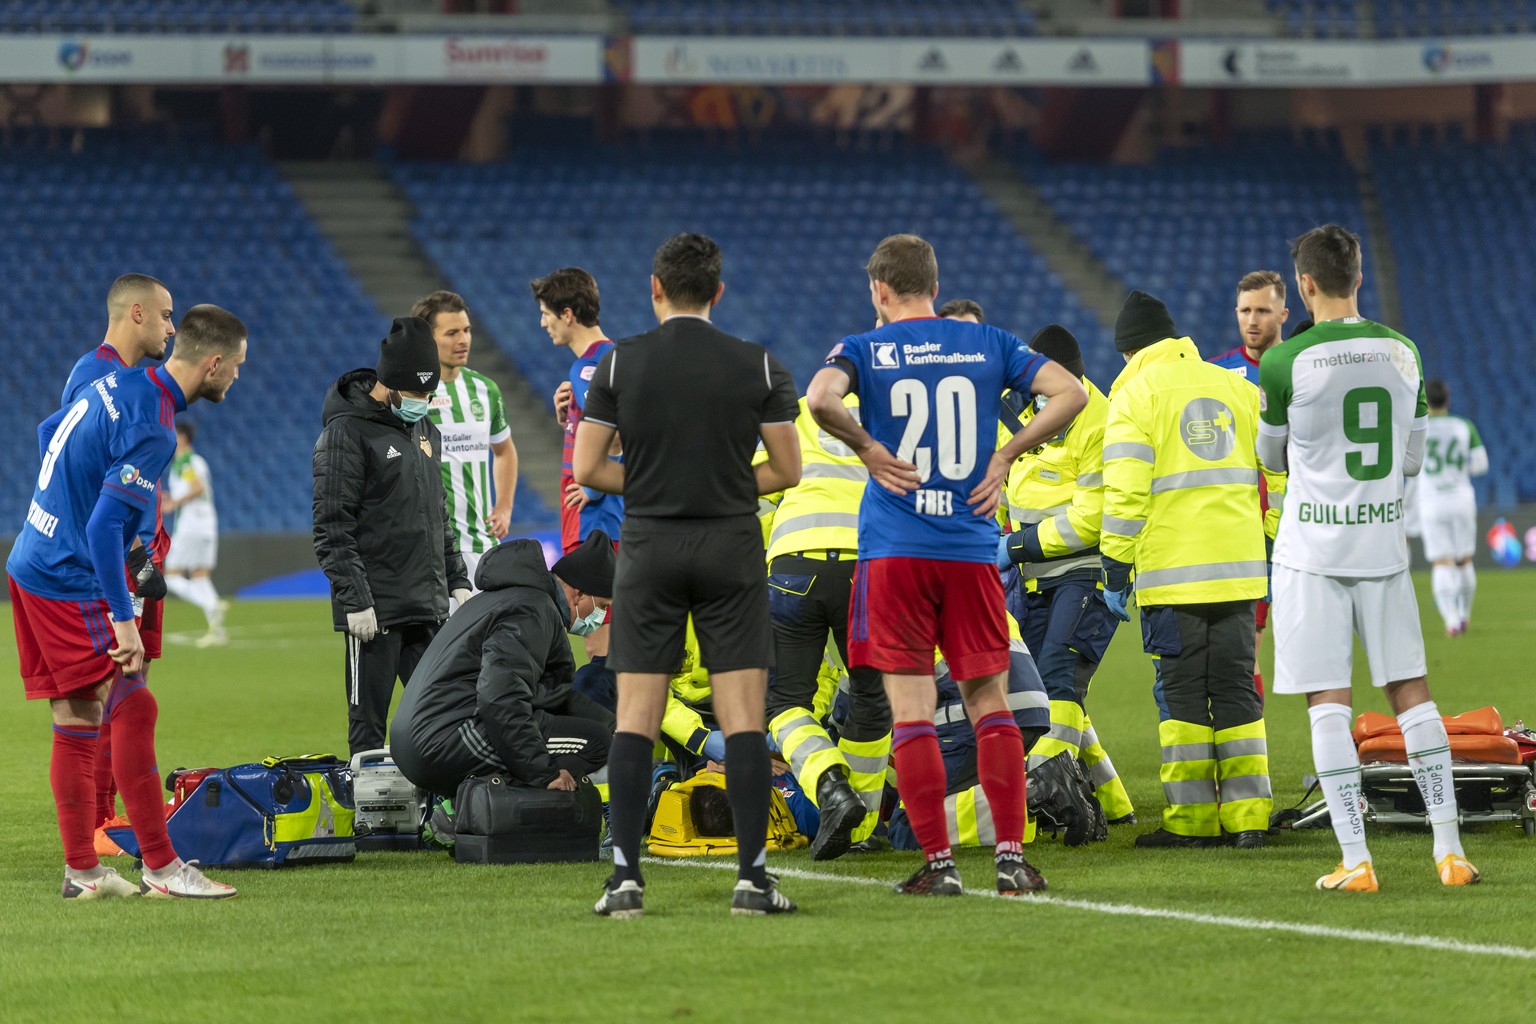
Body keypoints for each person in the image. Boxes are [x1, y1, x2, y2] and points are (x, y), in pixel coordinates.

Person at [806, 233, 1086, 897]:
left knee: (912, 710)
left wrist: (871, 449)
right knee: (989, 703)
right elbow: (1070, 392)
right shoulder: (989, 343)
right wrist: (1007, 453)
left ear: (879, 290)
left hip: (897, 551)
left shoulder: (865, 347)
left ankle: (939, 866)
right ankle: (1012, 860)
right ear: (934, 283)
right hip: (968, 549)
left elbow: (820, 398)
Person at [573, 232, 803, 918]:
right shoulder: (757, 365)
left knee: (637, 718)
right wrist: (729, 488)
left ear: (654, 288)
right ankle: (753, 881)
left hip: (650, 547)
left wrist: (646, 487)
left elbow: (587, 469)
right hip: (730, 544)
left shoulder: (619, 364)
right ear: (718, 293)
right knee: (742, 722)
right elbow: (789, 471)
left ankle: (624, 882)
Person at [1258, 224, 1479, 890]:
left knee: (1329, 702)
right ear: (1358, 279)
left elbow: (1270, 459)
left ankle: (1357, 860)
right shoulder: (1403, 352)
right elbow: (1410, 460)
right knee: (1413, 696)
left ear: (1304, 285)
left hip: (1311, 554)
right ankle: (1450, 851)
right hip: (1382, 545)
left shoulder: (1282, 361)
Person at [8, 303, 247, 899]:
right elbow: (101, 531)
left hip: (30, 558)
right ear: (213, 363)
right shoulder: (154, 424)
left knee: (77, 716)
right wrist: (124, 622)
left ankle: (82, 874)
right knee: (132, 703)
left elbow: (50, 434)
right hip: (69, 571)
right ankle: (164, 869)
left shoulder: (116, 378)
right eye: (237, 366)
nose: (238, 377)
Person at [1099, 289, 1273, 850]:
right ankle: (1248, 820)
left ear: (1130, 352)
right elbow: (1279, 471)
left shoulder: (1134, 395)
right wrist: (1268, 538)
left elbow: (1125, 494)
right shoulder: (1238, 387)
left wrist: (1114, 568)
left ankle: (1193, 822)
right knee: (1235, 690)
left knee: (1181, 696)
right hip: (1241, 574)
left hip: (1172, 578)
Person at [313, 316, 472, 757]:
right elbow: (331, 525)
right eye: (418, 393)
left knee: (443, 718)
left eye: (429, 393)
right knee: (368, 729)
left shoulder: (426, 431)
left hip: (426, 606)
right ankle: (369, 821)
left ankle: (432, 813)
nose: (424, 401)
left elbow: (435, 511)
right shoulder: (345, 432)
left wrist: (456, 578)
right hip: (375, 612)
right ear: (390, 384)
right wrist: (356, 600)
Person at [995, 325, 1134, 825]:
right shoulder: (1030, 412)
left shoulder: (1101, 423)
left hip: (1085, 571)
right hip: (1034, 578)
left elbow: (1091, 519)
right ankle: (1114, 803)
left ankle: (1043, 789)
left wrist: (1013, 545)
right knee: (1046, 689)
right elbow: (1010, 487)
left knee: (1058, 676)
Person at [62, 273, 177, 836]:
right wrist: (130, 548)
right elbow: (53, 452)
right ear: (136, 314)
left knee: (135, 685)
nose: (172, 329)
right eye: (165, 316)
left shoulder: (142, 381)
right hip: (121, 554)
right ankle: (102, 820)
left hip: (145, 549)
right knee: (114, 688)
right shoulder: (94, 374)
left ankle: (116, 815)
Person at [760, 392, 893, 862]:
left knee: (783, 702)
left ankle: (830, 786)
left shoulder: (798, 410)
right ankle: (861, 830)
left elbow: (758, 484)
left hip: (794, 561)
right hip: (868, 563)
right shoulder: (891, 409)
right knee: (872, 698)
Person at [391, 532, 618, 798]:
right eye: (602, 606)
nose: (600, 616)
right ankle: (478, 809)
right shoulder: (531, 611)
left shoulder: (509, 598)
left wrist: (610, 721)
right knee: (596, 743)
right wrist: (544, 773)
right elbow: (500, 698)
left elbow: (545, 691)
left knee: (600, 728)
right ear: (579, 594)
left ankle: (473, 803)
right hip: (445, 741)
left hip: (426, 736)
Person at [1209, 270, 1291, 694]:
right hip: (1245, 530)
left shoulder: (1302, 366)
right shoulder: (1216, 375)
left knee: (1310, 647)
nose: (1253, 320)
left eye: (1263, 310)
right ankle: (1248, 749)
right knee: (1246, 647)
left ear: (1284, 312)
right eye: (1245, 310)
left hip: (1301, 524)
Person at [413, 290, 517, 596]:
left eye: (467, 330)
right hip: (427, 548)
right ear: (428, 339)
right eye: (452, 332)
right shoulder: (410, 395)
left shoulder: (485, 390)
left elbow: (505, 450)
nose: (463, 340)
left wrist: (505, 506)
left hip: (480, 543)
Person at [537, 267, 619, 556]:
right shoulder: (611, 357)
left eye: (547, 313)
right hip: (608, 523)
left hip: (595, 522)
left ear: (568, 315)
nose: (543, 322)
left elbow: (617, 434)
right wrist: (570, 423)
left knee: (593, 603)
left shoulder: (587, 368)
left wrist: (591, 488)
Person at [1416, 379, 1488, 636]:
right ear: (1447, 399)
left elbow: (1408, 463)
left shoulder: (1418, 427)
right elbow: (1480, 465)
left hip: (1432, 502)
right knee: (1463, 558)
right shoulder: (1463, 426)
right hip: (1461, 499)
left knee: (1441, 561)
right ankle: (1465, 613)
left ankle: (1451, 620)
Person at [161, 421, 226, 646]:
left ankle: (211, 604)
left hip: (191, 527)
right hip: (207, 525)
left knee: (170, 576)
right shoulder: (197, 461)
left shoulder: (185, 461)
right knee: (200, 576)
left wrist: (173, 504)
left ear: (182, 438)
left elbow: (197, 487)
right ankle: (217, 632)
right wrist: (174, 499)